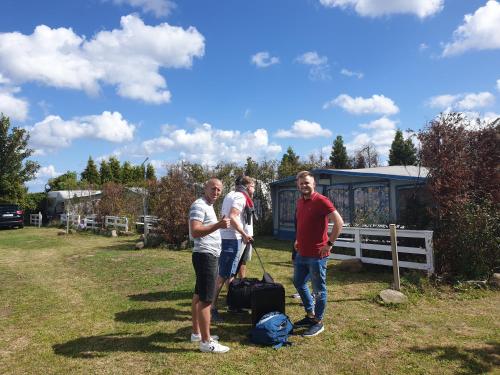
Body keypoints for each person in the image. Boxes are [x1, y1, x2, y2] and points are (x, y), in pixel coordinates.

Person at [293, 171, 344, 337]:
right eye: (301, 183)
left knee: (319, 290)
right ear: (298, 186)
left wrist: (329, 243)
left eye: (307, 183)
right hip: (302, 252)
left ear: (313, 184)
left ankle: (318, 322)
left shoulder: (321, 201)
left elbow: (339, 222)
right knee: (299, 282)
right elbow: (303, 223)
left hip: (317, 255)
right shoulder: (300, 202)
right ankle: (310, 314)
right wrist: (298, 240)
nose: (304, 186)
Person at [189, 178, 231, 353]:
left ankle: (196, 333)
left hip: (207, 255)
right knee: (207, 299)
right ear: (205, 188)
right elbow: (195, 231)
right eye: (213, 188)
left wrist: (217, 225)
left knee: (199, 295)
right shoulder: (199, 205)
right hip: (205, 256)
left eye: (219, 190)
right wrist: (219, 225)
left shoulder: (208, 206)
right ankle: (206, 342)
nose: (216, 192)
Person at [212, 176, 255, 319]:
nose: (253, 190)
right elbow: (233, 216)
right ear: (247, 186)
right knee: (222, 275)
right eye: (253, 186)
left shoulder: (231, 194)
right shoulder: (241, 197)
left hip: (227, 237)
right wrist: (244, 234)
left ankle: (233, 304)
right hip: (231, 239)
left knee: (230, 274)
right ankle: (212, 308)